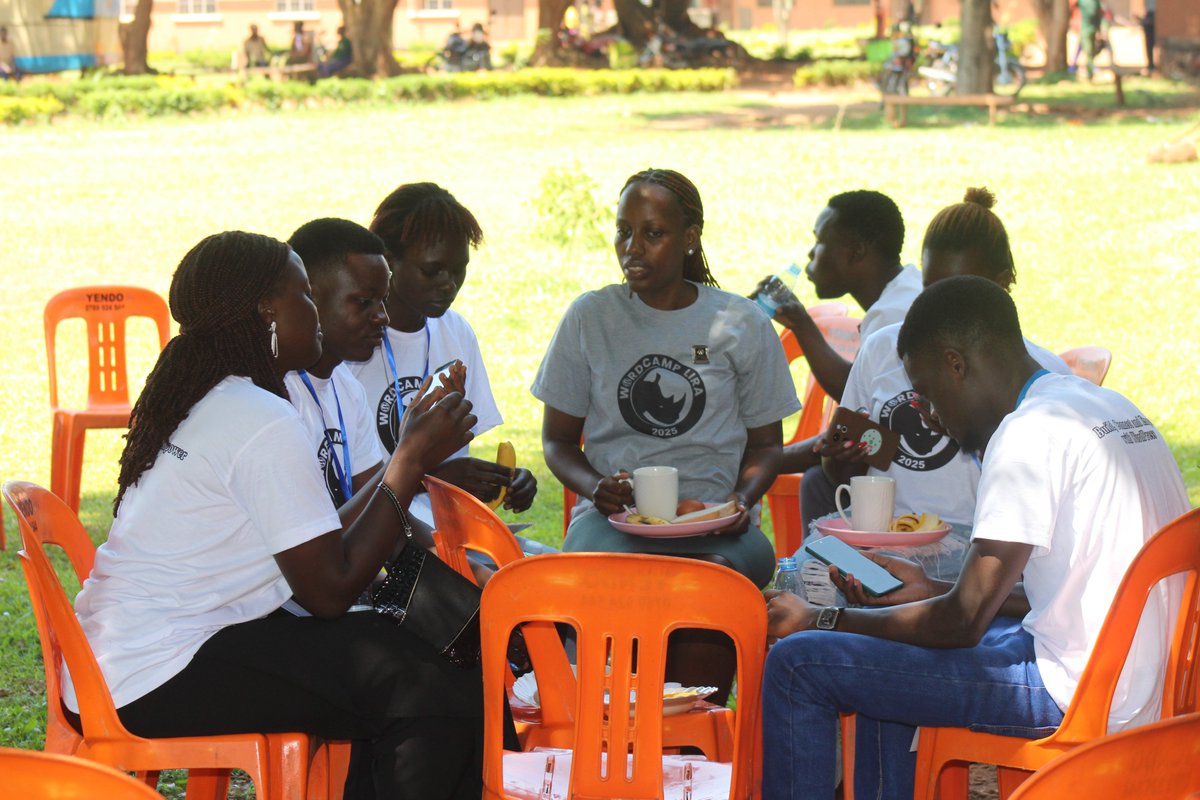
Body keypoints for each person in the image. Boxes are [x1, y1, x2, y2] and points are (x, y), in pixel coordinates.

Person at [69, 231, 486, 799]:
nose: (313, 310)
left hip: (123, 657)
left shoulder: (215, 394)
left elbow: (324, 542)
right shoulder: (259, 417)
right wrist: (409, 460)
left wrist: (403, 453)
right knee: (429, 687)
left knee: (403, 665)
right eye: (304, 297)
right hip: (154, 673)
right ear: (267, 310)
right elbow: (328, 592)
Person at [761, 275, 1190, 800]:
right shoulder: (1108, 408)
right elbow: (1086, 587)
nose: (928, 413)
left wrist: (819, 618)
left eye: (925, 392)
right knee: (881, 642)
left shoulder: (1029, 434)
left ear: (955, 364)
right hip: (1145, 682)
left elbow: (960, 626)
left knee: (797, 662)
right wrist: (931, 595)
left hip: (1079, 693)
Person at [533, 168, 801, 698]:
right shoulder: (591, 317)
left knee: (710, 591)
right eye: (623, 231)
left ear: (689, 238)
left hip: (716, 526)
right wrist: (595, 488)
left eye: (652, 233)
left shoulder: (741, 322)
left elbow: (767, 445)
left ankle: (691, 740)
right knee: (598, 582)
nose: (633, 248)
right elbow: (557, 443)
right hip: (615, 523)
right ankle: (603, 722)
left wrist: (740, 502)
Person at [792, 188, 1071, 534]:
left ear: (1002, 284)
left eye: (963, 290)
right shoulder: (883, 350)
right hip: (887, 535)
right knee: (807, 577)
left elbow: (1034, 509)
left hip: (976, 543)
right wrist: (841, 457)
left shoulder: (1040, 375)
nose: (943, 306)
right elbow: (844, 478)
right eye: (932, 288)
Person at [346, 182, 537, 529]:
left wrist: (502, 479)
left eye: (458, 269)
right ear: (389, 262)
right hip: (376, 533)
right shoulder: (353, 343)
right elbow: (342, 481)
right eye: (432, 271)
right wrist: (430, 477)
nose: (449, 284)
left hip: (449, 528)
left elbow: (456, 454)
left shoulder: (456, 332)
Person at [756, 189, 921, 405]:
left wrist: (802, 325)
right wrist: (800, 322)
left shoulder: (892, 316)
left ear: (856, 251)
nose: (811, 253)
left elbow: (858, 398)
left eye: (820, 241)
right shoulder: (908, 287)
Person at [283, 219, 389, 512]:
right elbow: (316, 545)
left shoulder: (348, 388)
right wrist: (411, 457)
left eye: (383, 301)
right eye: (364, 301)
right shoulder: (276, 395)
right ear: (310, 297)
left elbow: (378, 510)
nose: (382, 317)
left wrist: (443, 554)